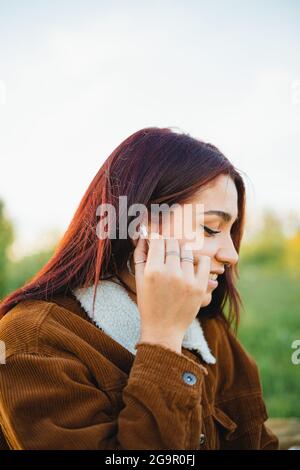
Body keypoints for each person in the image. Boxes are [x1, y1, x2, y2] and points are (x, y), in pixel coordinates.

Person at [0, 127, 279, 450]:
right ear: (140, 227)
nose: (231, 255)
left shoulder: (210, 331)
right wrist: (163, 342)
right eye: (210, 228)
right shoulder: (31, 343)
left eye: (231, 232)